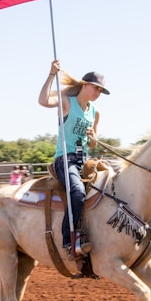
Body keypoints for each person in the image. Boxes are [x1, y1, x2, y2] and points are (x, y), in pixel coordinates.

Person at [38, 59, 109, 258]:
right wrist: (52, 74)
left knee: (110, 187)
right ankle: (70, 241)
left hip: (84, 160)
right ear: (85, 85)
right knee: (77, 192)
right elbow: (43, 101)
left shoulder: (95, 112)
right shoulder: (67, 101)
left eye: (101, 91)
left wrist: (93, 138)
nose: (98, 94)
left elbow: (93, 143)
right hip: (65, 159)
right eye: (96, 88)